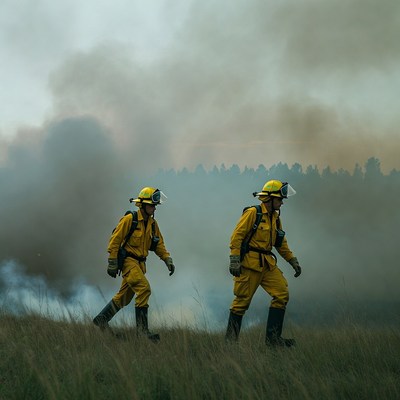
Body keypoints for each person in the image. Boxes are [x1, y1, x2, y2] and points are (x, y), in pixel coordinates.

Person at [225, 180, 302, 347]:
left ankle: (273, 340)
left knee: (282, 294)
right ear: (270, 198)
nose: (282, 202)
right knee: (241, 303)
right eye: (280, 199)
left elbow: (280, 243)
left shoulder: (275, 217)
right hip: (249, 265)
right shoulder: (253, 213)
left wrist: (292, 260)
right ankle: (229, 344)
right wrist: (234, 259)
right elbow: (236, 237)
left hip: (267, 265)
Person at [93, 187, 175, 342]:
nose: (154, 207)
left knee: (124, 297)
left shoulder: (152, 224)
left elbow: (159, 244)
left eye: (155, 205)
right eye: (151, 204)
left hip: (140, 265)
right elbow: (115, 241)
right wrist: (112, 261)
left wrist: (167, 259)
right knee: (144, 289)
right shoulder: (130, 219)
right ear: (142, 205)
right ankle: (142, 332)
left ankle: (101, 319)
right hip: (129, 263)